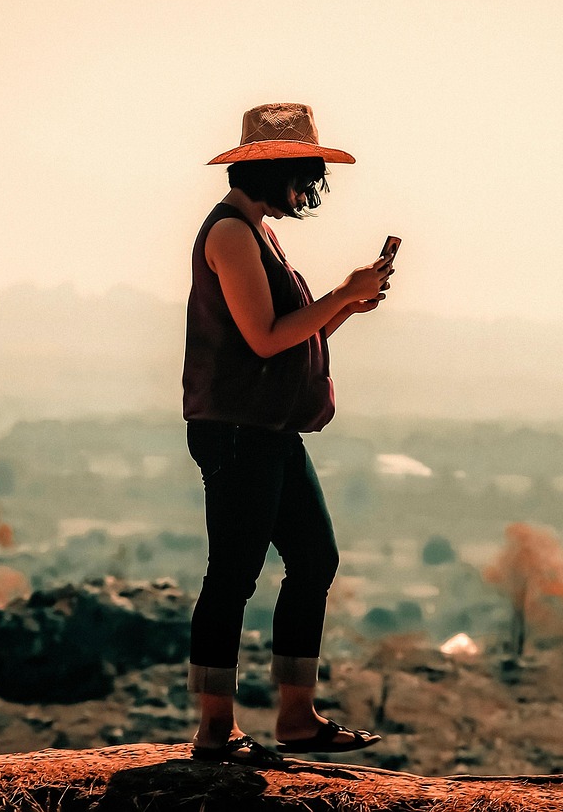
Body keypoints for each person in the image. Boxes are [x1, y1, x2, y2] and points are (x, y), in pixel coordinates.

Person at [182, 103, 392, 765]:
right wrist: (338, 292)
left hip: (267, 427)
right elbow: (266, 337)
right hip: (238, 430)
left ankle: (297, 718)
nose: (310, 190)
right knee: (233, 574)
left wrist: (348, 307)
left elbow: (284, 340)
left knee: (313, 557)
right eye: (305, 175)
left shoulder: (258, 232)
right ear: (275, 170)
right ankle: (216, 730)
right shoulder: (232, 236)